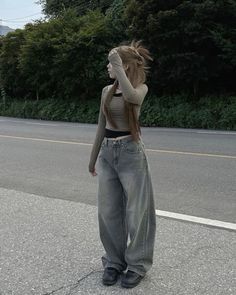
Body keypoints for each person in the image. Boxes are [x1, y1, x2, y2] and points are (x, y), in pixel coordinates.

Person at [88, 40, 156, 289]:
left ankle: (137, 265)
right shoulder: (106, 91)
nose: (108, 66)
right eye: (109, 62)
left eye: (112, 63)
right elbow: (100, 126)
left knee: (136, 212)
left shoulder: (141, 88)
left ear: (125, 66)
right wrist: (92, 158)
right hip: (107, 154)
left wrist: (118, 62)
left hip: (131, 153)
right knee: (108, 212)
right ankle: (114, 262)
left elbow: (131, 97)